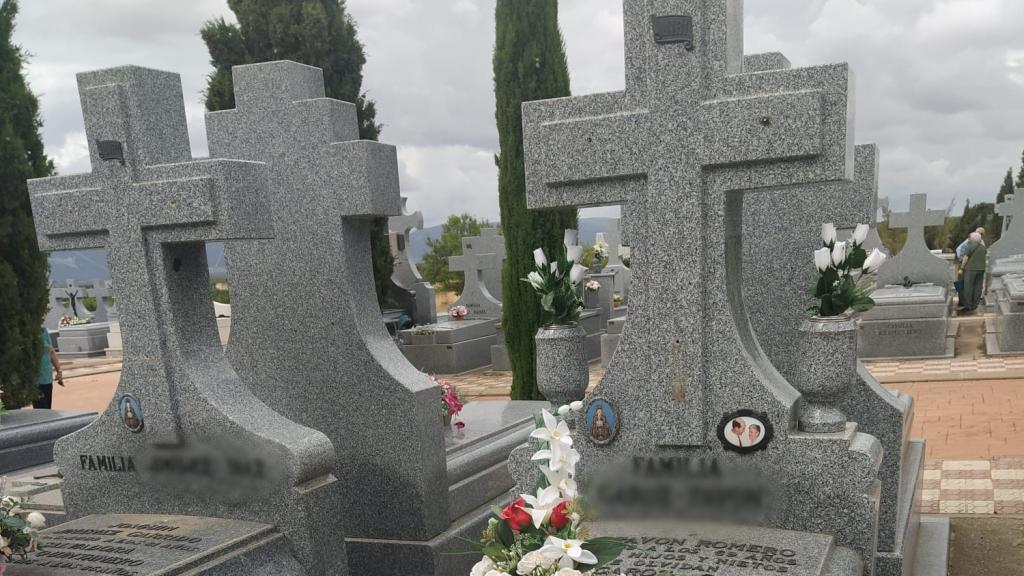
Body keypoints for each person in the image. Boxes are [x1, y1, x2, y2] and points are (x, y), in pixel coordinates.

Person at [35, 326, 64, 409]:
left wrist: (59, 371)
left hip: (47, 377)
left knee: (47, 408)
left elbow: (52, 352)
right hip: (35, 380)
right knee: (41, 408)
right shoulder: (27, 332)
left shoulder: (44, 331)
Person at [959, 232, 987, 313]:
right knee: (978, 287)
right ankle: (975, 305)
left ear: (973, 239)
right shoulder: (983, 247)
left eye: (970, 238)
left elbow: (965, 258)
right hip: (981, 269)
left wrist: (961, 268)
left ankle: (968, 306)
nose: (970, 239)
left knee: (968, 287)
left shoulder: (970, 247)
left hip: (970, 269)